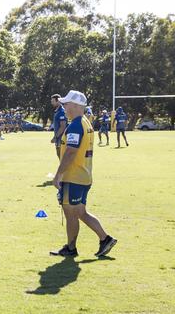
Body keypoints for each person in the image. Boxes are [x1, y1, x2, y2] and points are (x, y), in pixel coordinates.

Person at [50, 90, 117, 257]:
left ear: (75, 105)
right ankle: (105, 239)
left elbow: (71, 152)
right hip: (84, 176)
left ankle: (71, 248)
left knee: (71, 212)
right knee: (80, 212)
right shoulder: (85, 122)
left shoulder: (76, 125)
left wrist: (58, 175)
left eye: (66, 104)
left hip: (74, 176)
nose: (64, 107)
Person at [50, 94, 68, 159]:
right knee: (60, 156)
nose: (52, 103)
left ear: (58, 101)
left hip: (62, 139)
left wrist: (55, 137)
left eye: (53, 101)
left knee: (62, 158)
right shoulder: (57, 111)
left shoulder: (61, 111)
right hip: (58, 139)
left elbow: (63, 126)